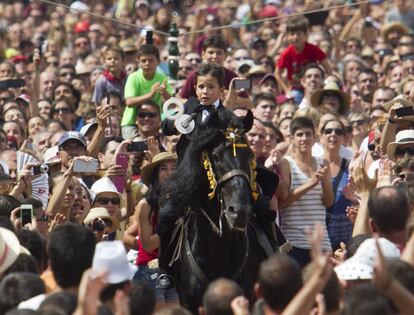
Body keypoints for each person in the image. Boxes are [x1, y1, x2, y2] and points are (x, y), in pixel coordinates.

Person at [278, 117, 333, 266]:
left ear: (315, 138)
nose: (304, 138)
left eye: (308, 134)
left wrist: (325, 181)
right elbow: (282, 202)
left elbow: (328, 202)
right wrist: (311, 183)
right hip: (293, 242)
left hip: (322, 242)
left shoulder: (323, 163)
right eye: (300, 134)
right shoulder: (285, 163)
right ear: (292, 139)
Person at [134, 152, 179, 307]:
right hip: (150, 270)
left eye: (174, 168)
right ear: (156, 175)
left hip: (174, 269)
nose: (169, 173)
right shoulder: (145, 205)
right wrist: (173, 223)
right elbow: (147, 245)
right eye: (163, 169)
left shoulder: (184, 204)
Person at [275, 15, 332, 104]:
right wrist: (286, 90)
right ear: (287, 36)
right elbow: (277, 73)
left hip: (313, 87)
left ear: (306, 35)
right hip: (296, 89)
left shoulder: (313, 49)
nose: (295, 37)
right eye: (292, 34)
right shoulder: (286, 53)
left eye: (299, 34)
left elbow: (328, 68)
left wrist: (325, 82)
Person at [121, 43, 173, 139]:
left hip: (154, 122)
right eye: (143, 61)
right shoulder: (133, 78)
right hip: (131, 123)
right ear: (138, 62)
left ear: (158, 61)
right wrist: (150, 94)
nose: (147, 64)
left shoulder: (162, 78)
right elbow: (129, 102)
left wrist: (164, 92)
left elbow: (173, 104)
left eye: (151, 60)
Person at [319, 119, 353, 250]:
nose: (333, 134)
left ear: (344, 138)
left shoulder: (351, 166)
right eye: (328, 131)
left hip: (344, 236)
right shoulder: (313, 165)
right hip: (319, 236)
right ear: (321, 136)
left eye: (338, 132)